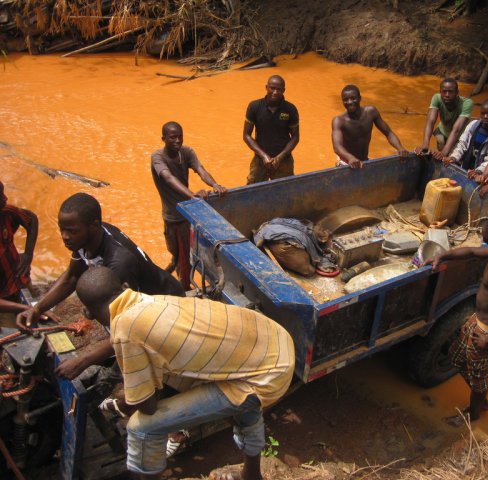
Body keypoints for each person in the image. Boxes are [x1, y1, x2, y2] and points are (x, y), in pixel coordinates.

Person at [75, 266, 295, 480]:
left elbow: (147, 406)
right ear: (124, 287)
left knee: (141, 428)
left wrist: (131, 399)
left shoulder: (125, 329)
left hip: (267, 374)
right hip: (273, 340)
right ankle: (252, 475)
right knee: (243, 409)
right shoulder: (149, 300)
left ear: (88, 312)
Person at [16, 193, 185, 380]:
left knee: (117, 378)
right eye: (61, 229)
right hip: (137, 307)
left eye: (71, 231)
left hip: (166, 307)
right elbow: (71, 277)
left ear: (94, 226)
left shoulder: (119, 263)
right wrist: (38, 308)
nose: (65, 237)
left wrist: (83, 361)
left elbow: (132, 327)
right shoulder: (86, 239)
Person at [422, 213, 488, 427]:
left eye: (484, 227)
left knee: (479, 378)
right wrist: (443, 256)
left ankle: (473, 413)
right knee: (455, 357)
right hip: (477, 321)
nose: (481, 230)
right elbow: (472, 251)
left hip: (487, 333)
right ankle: (481, 398)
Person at [151, 121, 227, 290]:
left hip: (188, 215)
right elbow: (168, 178)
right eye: (173, 137)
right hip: (173, 217)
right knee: (179, 257)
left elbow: (200, 169)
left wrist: (215, 185)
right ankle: (179, 289)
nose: (178, 141)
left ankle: (171, 284)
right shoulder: (158, 158)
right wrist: (193, 195)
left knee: (184, 257)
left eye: (180, 137)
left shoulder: (186, 152)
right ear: (163, 139)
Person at [332, 84, 409, 168]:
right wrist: (350, 158)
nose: (349, 102)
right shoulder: (339, 121)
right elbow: (337, 147)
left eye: (353, 98)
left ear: (360, 98)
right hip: (346, 163)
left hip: (365, 161)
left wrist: (400, 148)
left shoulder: (371, 112)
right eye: (345, 100)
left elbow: (388, 133)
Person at [244, 75, 300, 184]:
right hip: (260, 159)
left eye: (279, 89)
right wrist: (263, 156)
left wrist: (280, 157)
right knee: (252, 190)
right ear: (266, 87)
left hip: (284, 161)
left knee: (286, 191)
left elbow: (295, 137)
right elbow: (246, 135)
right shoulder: (254, 107)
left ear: (283, 90)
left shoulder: (290, 109)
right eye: (272, 88)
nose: (275, 92)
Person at [442, 99, 488, 175]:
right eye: (483, 113)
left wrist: (478, 172)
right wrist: (453, 157)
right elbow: (462, 144)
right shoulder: (473, 125)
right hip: (465, 169)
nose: (485, 116)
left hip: (483, 175)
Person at [415, 78, 473, 160]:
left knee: (453, 159)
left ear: (457, 92)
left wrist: (443, 153)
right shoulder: (437, 98)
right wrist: (425, 145)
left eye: (451, 91)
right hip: (443, 133)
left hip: (459, 138)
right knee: (440, 156)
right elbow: (430, 121)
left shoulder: (466, 103)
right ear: (440, 92)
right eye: (444, 91)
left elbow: (456, 130)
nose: (447, 95)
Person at [0, 180, 38, 306]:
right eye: (0, 196)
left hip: (19, 279)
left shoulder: (7, 212)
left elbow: (31, 219)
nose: (5, 198)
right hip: (3, 297)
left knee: (34, 310)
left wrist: (28, 255)